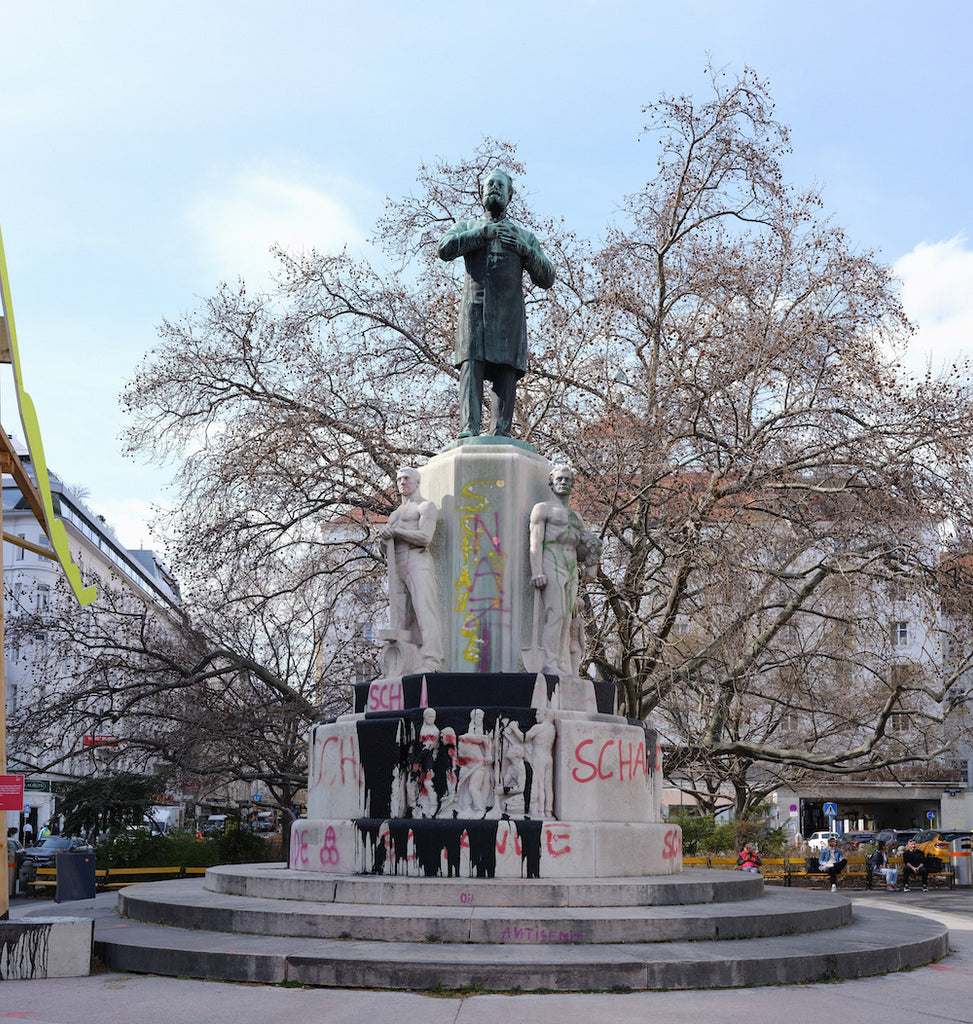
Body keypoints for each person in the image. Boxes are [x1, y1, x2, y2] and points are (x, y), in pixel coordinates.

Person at [438, 168, 555, 438]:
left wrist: (524, 251)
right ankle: (468, 429)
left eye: (500, 186)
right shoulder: (468, 228)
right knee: (471, 366)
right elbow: (444, 248)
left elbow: (547, 277)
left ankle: (501, 433)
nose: (494, 189)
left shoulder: (524, 237)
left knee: (506, 372)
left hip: (509, 317)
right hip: (474, 313)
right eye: (489, 184)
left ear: (510, 195)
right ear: (481, 193)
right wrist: (484, 234)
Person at [529, 466, 600, 674]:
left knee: (567, 617)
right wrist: (536, 571)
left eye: (568, 479)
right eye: (559, 479)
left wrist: (592, 564)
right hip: (551, 563)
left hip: (571, 568)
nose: (563, 482)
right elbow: (535, 542)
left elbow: (586, 544)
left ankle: (559, 662)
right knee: (556, 613)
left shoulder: (576, 516)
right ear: (551, 482)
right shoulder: (542, 509)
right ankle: (549, 662)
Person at [377, 467, 444, 671]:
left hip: (418, 562)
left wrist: (396, 531)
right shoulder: (395, 514)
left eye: (406, 478)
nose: (402, 482)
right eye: (399, 479)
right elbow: (385, 548)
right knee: (400, 618)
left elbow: (425, 537)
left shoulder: (425, 507)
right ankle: (405, 662)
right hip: (398, 566)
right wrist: (382, 539)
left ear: (417, 481)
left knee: (425, 611)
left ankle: (432, 660)